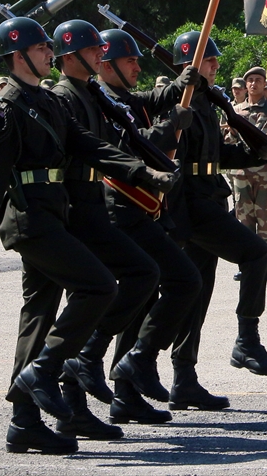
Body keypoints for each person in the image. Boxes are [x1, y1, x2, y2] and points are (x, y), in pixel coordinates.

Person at [0, 17, 175, 455]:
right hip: (28, 220)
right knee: (97, 286)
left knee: (38, 316)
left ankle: (24, 422)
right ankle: (48, 369)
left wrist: (142, 173)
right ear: (19, 56)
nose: (48, 55)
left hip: (52, 216)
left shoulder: (46, 101)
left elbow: (91, 147)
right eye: (41, 50)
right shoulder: (6, 106)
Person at [49, 19, 163, 439]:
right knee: (90, 296)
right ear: (71, 56)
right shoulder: (64, 96)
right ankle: (72, 404)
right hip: (75, 205)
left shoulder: (89, 93)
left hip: (92, 202)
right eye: (93, 49)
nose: (101, 54)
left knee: (139, 275)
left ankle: (87, 363)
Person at [167, 30, 267, 414]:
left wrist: (254, 151)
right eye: (209, 61)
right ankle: (247, 340)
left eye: (215, 60)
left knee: (197, 293)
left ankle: (184, 379)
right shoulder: (179, 101)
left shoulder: (204, 101)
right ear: (189, 64)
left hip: (210, 198)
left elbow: (212, 156)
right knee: (255, 254)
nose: (216, 66)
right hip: (193, 204)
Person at [96, 28, 203, 426]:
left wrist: (181, 83)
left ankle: (126, 386)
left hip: (142, 207)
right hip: (114, 208)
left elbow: (151, 100)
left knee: (146, 292)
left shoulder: (122, 96)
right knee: (160, 284)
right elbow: (126, 146)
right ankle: (111, 365)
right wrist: (167, 126)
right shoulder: (100, 99)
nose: (138, 67)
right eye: (130, 62)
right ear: (107, 66)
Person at [232, 67, 267, 246]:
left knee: (263, 219)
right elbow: (229, 142)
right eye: (250, 80)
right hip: (241, 174)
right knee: (244, 220)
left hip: (265, 174)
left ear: (264, 84)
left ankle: (262, 266)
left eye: (258, 80)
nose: (253, 84)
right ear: (245, 85)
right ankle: (247, 267)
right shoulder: (235, 111)